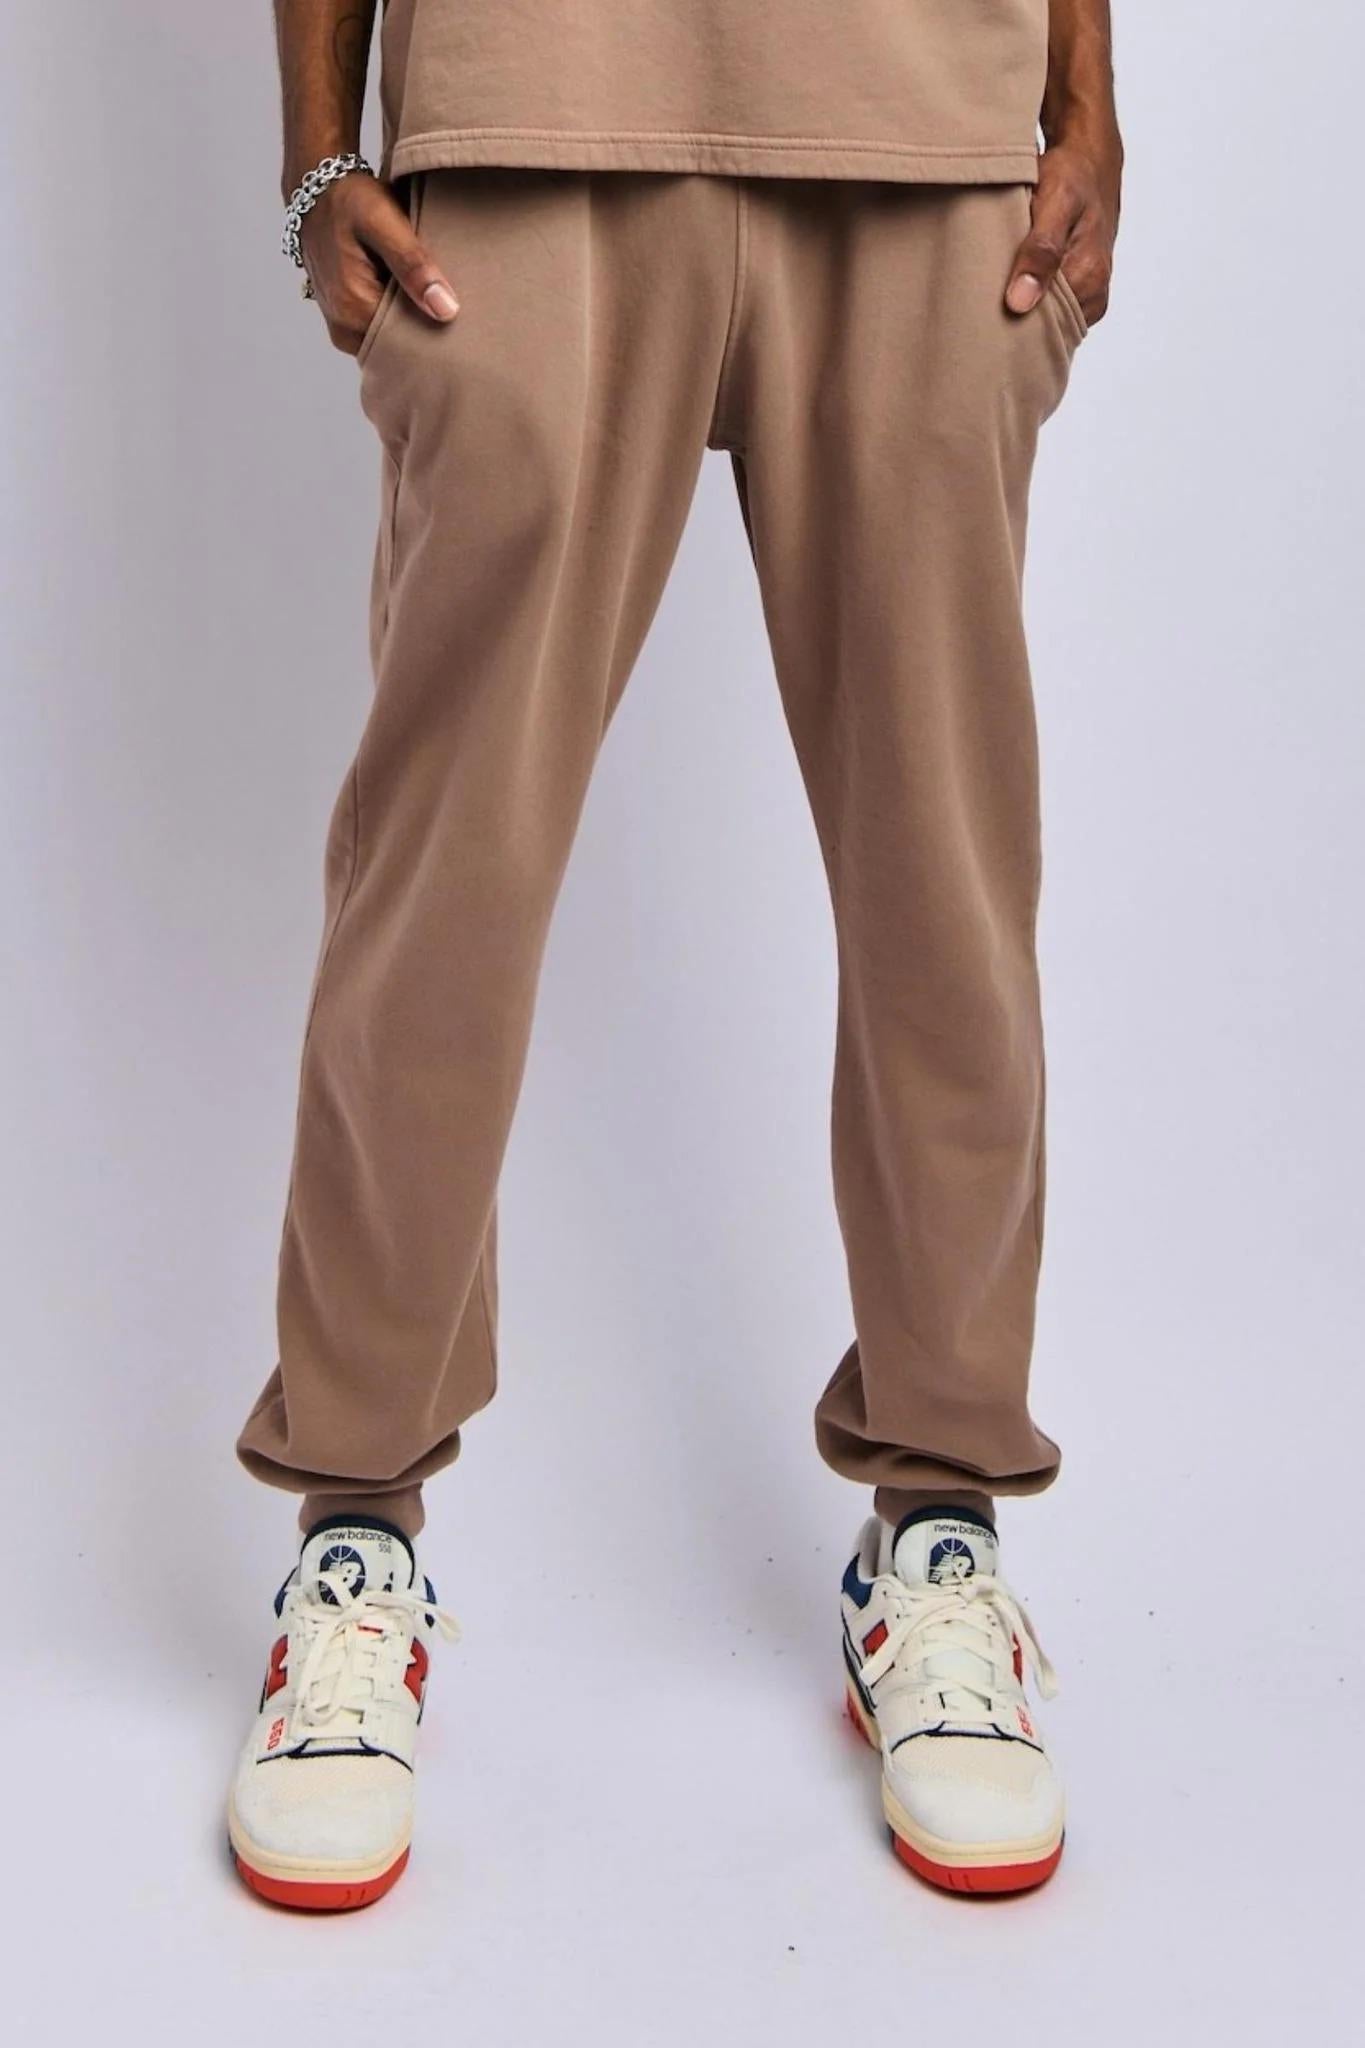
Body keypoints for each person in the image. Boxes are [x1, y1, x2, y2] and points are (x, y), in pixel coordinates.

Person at [227, 0, 1122, 1909]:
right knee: (442, 886)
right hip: (528, 104)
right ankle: (355, 1530)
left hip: (925, 128)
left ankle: (939, 1532)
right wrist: (317, 153)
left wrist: (1085, 99)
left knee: (943, 880)